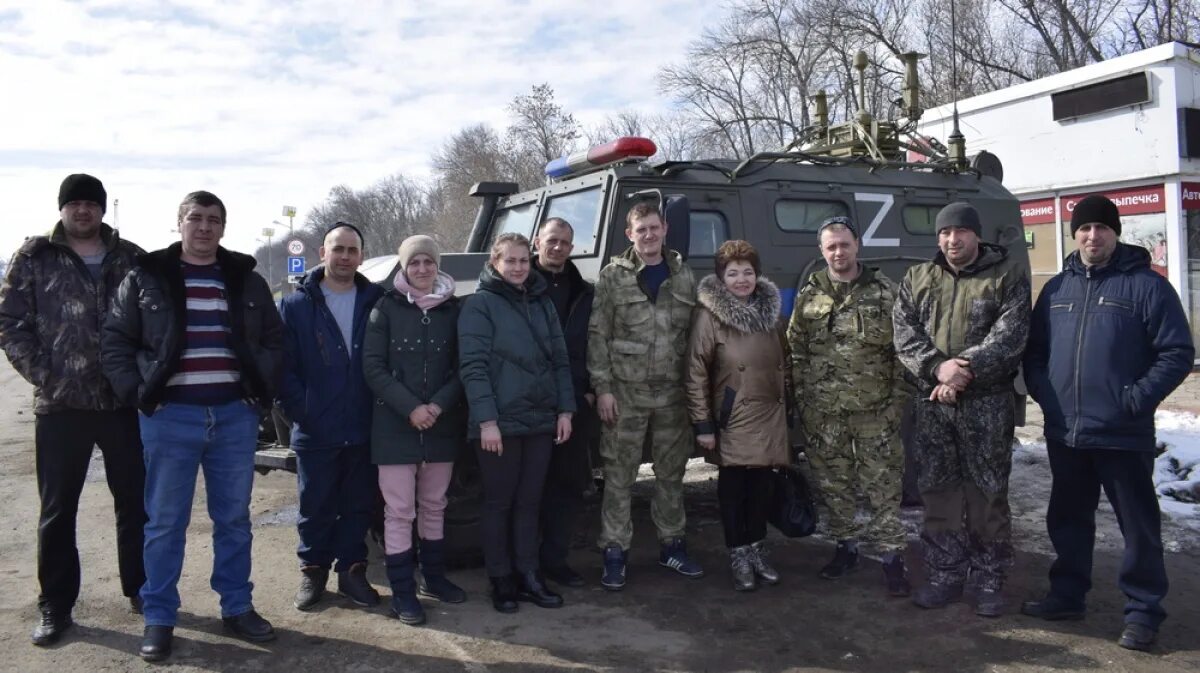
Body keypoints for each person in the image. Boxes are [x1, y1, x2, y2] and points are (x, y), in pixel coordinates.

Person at [102, 191, 284, 662]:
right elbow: (116, 340)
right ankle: (159, 616)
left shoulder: (245, 279)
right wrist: (139, 395)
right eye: (195, 218)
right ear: (179, 223)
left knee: (234, 520)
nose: (204, 227)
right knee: (164, 523)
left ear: (224, 227)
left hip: (233, 417)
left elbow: (273, 338)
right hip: (170, 418)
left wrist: (256, 393)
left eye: (214, 220)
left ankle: (237, 606)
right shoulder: (148, 276)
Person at [1021, 195, 1193, 651]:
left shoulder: (1148, 288)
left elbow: (1177, 353)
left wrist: (1135, 399)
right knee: (1068, 519)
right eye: (1084, 229)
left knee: (1137, 526)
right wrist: (1047, 396)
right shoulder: (1057, 289)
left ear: (1116, 233)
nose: (1092, 236)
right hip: (1066, 432)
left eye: (1101, 228)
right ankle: (1067, 594)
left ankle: (1142, 611)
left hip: (1122, 432)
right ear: (1073, 235)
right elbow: (1035, 354)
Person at [0, 174, 146, 646]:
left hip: (122, 404)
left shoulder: (131, 258)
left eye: (91, 203)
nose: (83, 211)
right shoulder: (35, 257)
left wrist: (143, 377)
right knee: (58, 509)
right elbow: (9, 321)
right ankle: (56, 605)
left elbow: (157, 321)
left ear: (102, 210)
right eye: (75, 203)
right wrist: (45, 374)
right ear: (62, 209)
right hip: (60, 405)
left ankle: (142, 590)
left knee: (135, 503)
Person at [893, 202, 1030, 617]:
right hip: (934, 405)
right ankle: (945, 574)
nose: (953, 240)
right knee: (938, 493)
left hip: (986, 404)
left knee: (988, 494)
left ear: (976, 234)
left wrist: (959, 372)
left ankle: (990, 579)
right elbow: (904, 333)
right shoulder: (918, 278)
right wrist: (938, 369)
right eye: (945, 233)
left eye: (961, 232)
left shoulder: (1006, 276)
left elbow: (1009, 337)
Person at [786, 217, 910, 596]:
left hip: (876, 413)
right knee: (834, 484)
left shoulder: (886, 292)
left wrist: (895, 406)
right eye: (830, 247)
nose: (838, 252)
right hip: (824, 413)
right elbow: (796, 349)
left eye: (844, 244)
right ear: (822, 251)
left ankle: (892, 559)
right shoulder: (810, 294)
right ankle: (846, 548)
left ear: (857, 245)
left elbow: (903, 354)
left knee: (882, 486)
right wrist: (805, 401)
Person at [458, 232, 575, 613]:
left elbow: (560, 359)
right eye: (510, 261)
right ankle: (501, 579)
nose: (518, 268)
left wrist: (565, 410)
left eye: (524, 260)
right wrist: (487, 421)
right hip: (499, 424)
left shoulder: (541, 303)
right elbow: (473, 368)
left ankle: (529, 574)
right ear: (495, 263)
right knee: (499, 504)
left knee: (529, 502)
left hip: (541, 420)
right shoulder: (480, 305)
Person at [589, 202, 702, 590]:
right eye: (642, 230)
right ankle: (615, 552)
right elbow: (598, 334)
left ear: (665, 228)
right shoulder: (612, 276)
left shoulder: (684, 276)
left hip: (672, 395)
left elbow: (694, 341)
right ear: (630, 234)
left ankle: (672, 545)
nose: (649, 236)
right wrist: (602, 389)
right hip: (625, 394)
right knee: (619, 476)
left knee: (671, 475)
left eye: (654, 228)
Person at [278, 223, 384, 612]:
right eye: (337, 249)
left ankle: (353, 572)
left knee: (358, 503)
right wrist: (300, 411)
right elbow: (282, 367)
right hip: (315, 426)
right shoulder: (295, 305)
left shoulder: (376, 299)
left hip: (363, 423)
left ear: (361, 256)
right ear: (322, 252)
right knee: (316, 503)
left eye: (352, 250)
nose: (344, 257)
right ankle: (313, 571)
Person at [363, 234, 467, 626]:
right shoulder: (385, 309)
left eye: (428, 262)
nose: (422, 269)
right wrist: (411, 408)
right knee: (399, 511)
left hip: (440, 424)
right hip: (395, 427)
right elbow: (372, 367)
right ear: (403, 268)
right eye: (414, 263)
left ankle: (435, 578)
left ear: (437, 266)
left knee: (436, 505)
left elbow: (463, 366)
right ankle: (403, 591)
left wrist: (437, 406)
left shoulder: (454, 311)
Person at [685, 240, 788, 591]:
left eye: (747, 272)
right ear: (721, 277)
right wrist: (703, 425)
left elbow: (783, 365)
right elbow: (696, 372)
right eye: (733, 273)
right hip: (732, 417)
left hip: (767, 416)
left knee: (761, 488)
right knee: (733, 491)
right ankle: (738, 554)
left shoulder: (771, 314)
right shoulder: (708, 316)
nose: (741, 279)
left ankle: (758, 549)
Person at [531, 217, 596, 588]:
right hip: (531, 402)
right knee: (528, 489)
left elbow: (596, 342)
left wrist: (589, 389)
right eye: (551, 240)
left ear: (572, 247)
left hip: (574, 400)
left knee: (567, 486)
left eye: (564, 242)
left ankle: (554, 560)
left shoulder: (583, 291)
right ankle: (525, 564)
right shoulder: (521, 285)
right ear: (537, 240)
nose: (557, 248)